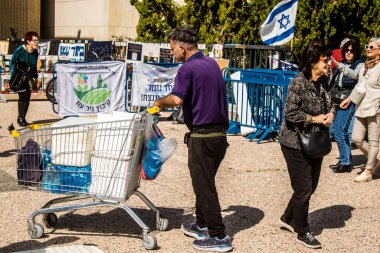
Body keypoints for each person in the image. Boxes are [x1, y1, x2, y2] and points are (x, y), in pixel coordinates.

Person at [152, 27, 232, 252]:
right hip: (219, 136)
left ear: (182, 47)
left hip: (203, 136)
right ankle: (201, 223)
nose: (172, 53)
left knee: (204, 185)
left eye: (172, 49)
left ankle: (219, 236)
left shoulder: (187, 68)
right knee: (204, 181)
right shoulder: (211, 64)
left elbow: (177, 100)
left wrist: (159, 102)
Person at [278, 40, 335, 249]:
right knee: (303, 189)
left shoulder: (325, 82)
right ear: (313, 61)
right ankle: (303, 231)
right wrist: (316, 119)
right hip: (293, 141)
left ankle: (286, 217)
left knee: (311, 186)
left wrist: (330, 115)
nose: (329, 62)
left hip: (315, 142)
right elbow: (290, 114)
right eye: (325, 59)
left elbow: (332, 104)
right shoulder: (298, 82)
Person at [340, 37, 380, 183]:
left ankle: (368, 170)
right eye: (367, 46)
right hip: (362, 106)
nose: (368, 49)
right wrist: (349, 99)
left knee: (374, 141)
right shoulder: (364, 66)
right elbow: (360, 86)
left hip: (376, 107)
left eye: (372, 47)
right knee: (356, 138)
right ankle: (377, 158)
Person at [329, 38, 364, 173]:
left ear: (356, 52)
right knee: (340, 132)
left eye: (352, 50)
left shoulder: (360, 65)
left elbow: (355, 76)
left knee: (339, 131)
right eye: (347, 50)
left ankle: (346, 162)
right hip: (337, 100)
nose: (348, 53)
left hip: (348, 101)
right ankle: (345, 160)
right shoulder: (342, 63)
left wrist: (339, 65)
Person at [10, 31, 39, 127]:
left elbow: (34, 66)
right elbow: (12, 63)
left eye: (37, 40)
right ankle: (21, 118)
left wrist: (35, 77)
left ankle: (22, 117)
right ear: (28, 41)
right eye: (34, 40)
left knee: (28, 97)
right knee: (22, 96)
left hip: (29, 77)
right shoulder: (20, 50)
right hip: (20, 77)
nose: (36, 42)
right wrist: (16, 74)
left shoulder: (35, 52)